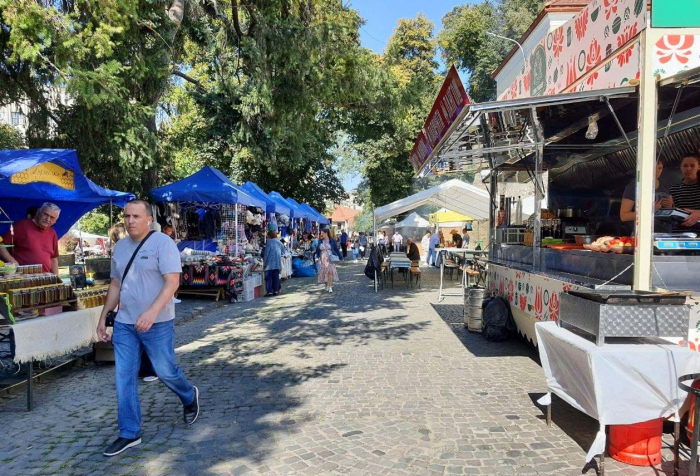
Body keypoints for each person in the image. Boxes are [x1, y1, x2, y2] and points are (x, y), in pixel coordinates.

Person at [97, 200, 199, 457]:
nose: (130, 221)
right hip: (125, 324)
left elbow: (172, 282)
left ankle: (188, 395)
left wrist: (152, 313)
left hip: (158, 322)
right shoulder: (119, 248)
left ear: (148, 219)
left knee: (165, 371)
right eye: (127, 216)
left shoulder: (163, 244)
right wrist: (104, 316)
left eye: (135, 216)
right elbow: (116, 285)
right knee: (124, 377)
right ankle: (129, 432)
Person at [0, 202, 60, 274]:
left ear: (55, 221)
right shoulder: (21, 226)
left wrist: (57, 280)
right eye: (45, 214)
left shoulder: (52, 233)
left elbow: (53, 259)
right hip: (22, 278)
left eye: (52, 217)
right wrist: (12, 261)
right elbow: (1, 245)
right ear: (38, 212)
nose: (48, 219)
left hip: (44, 279)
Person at [620, 160, 674, 233]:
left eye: (660, 168)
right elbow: (624, 216)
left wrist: (671, 206)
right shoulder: (633, 187)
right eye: (653, 167)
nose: (657, 171)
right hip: (643, 235)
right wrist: (650, 211)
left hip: (665, 234)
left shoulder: (666, 186)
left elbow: (671, 210)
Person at [670, 154, 700, 228]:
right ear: (681, 167)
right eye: (685, 166)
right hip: (678, 233)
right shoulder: (673, 190)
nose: (688, 169)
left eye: (692, 166)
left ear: (699, 167)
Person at [263, 231, 286, 297]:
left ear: (270, 236)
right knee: (276, 277)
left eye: (267, 236)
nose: (267, 237)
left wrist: (265, 261)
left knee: (269, 277)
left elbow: (266, 253)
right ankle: (276, 290)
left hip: (270, 263)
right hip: (277, 262)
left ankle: (269, 291)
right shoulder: (279, 242)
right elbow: (283, 252)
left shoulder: (269, 242)